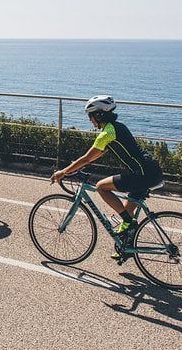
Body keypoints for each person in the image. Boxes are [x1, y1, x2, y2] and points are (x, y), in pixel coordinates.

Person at [50, 95, 164, 262]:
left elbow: (87, 158)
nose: (90, 120)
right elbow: (95, 155)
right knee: (127, 210)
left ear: (99, 115)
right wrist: (75, 166)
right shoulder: (116, 128)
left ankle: (129, 225)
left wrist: (63, 172)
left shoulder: (106, 134)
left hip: (143, 175)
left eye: (90, 116)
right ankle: (126, 248)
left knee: (101, 187)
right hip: (150, 171)